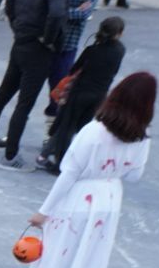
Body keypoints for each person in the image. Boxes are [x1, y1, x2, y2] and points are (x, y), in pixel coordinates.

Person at [0, 72, 153, 268]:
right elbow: (135, 176)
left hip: (80, 198)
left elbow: (69, 173)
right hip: (109, 200)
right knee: (74, 262)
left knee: (57, 257)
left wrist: (44, 211)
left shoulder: (95, 130)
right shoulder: (141, 137)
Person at [0, 0, 82, 169]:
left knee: (3, 94)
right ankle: (10, 155)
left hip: (21, 42)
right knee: (24, 103)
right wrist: (50, 39)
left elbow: (10, 0)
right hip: (39, 49)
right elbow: (58, 13)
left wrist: (18, 28)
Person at [38, 16, 124, 171]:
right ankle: (62, 155)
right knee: (82, 127)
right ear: (119, 34)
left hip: (80, 92)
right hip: (99, 95)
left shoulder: (92, 51)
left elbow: (74, 69)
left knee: (66, 127)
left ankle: (60, 163)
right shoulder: (120, 50)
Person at [48, 0, 100, 102]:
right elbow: (48, 6)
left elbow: (84, 13)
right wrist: (72, 10)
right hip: (47, 40)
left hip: (67, 42)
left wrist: (60, 12)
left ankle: (52, 119)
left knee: (59, 89)